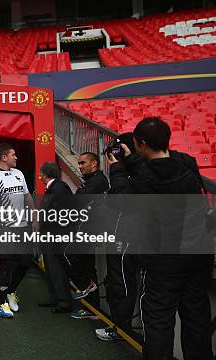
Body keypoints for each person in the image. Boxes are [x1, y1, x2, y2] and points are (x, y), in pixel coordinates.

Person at [107, 117, 213, 359]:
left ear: (141, 143)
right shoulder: (187, 163)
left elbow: (123, 201)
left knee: (158, 321)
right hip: (198, 254)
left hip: (163, 260)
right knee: (197, 317)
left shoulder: (142, 181)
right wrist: (134, 158)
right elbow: (161, 169)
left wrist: (117, 168)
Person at [0, 143, 37, 318]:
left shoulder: (19, 174)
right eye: (13, 155)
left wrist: (34, 218)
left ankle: (11, 291)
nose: (16, 157)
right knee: (7, 265)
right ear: (4, 157)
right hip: (3, 228)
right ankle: (3, 303)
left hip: (22, 226)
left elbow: (27, 196)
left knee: (26, 262)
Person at [96, 134, 140, 341]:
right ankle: (119, 325)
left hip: (127, 237)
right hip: (117, 235)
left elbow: (124, 202)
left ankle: (121, 329)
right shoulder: (130, 173)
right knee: (117, 282)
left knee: (122, 283)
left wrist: (117, 169)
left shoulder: (135, 174)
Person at [66, 152, 109, 320]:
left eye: (83, 163)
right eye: (79, 163)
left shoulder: (98, 181)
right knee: (88, 267)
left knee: (68, 254)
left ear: (94, 164)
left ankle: (86, 285)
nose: (80, 166)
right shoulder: (92, 181)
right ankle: (93, 309)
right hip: (87, 230)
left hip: (91, 231)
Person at [36, 162, 74, 315]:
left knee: (57, 269)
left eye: (40, 173)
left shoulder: (59, 188)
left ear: (44, 174)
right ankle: (54, 298)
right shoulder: (55, 187)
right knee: (51, 269)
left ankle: (63, 302)